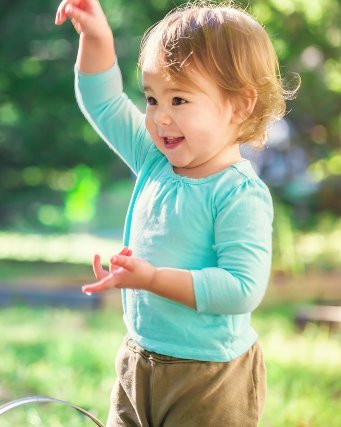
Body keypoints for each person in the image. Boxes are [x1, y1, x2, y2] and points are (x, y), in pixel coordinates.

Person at [55, 1, 297, 426]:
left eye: (179, 99)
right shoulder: (154, 161)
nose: (159, 117)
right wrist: (96, 38)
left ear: (239, 105)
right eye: (152, 98)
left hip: (209, 377)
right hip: (139, 359)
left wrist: (151, 279)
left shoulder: (238, 194)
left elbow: (241, 288)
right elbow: (104, 102)